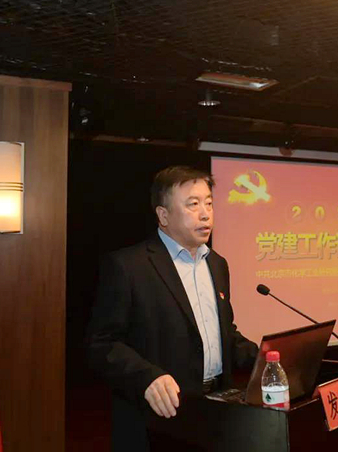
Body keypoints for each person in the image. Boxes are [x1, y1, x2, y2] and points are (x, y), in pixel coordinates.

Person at [87, 166, 258, 451]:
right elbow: (102, 344)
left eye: (209, 203)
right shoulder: (128, 266)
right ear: (163, 215)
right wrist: (146, 377)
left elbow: (223, 334)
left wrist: (267, 360)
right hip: (158, 419)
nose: (205, 214)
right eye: (193, 204)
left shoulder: (217, 264)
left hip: (217, 410)